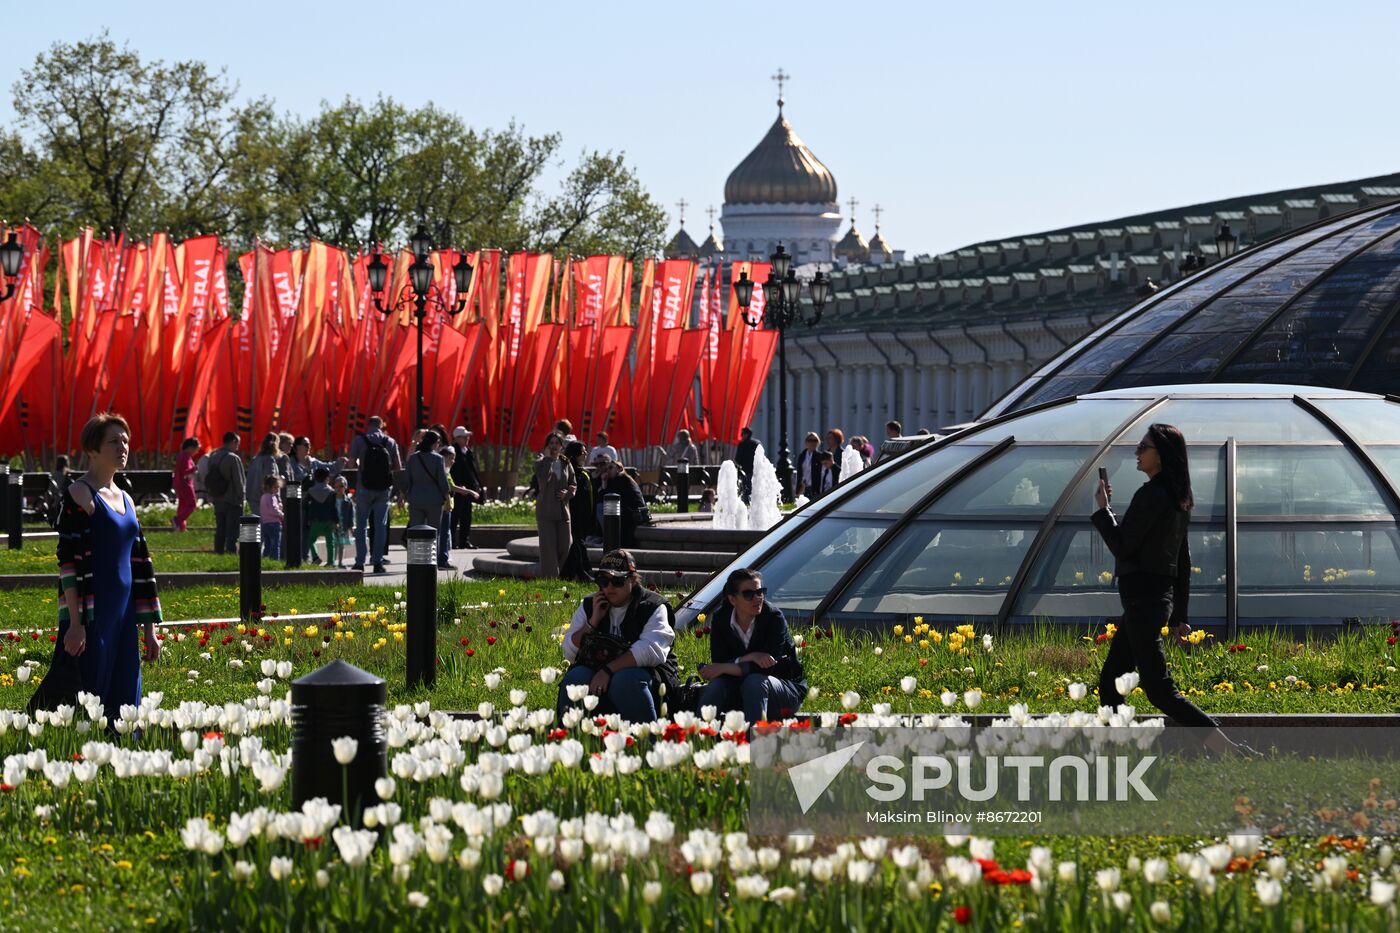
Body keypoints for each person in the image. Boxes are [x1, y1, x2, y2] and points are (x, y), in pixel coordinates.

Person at [1092, 422, 1240, 752]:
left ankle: (1228, 749)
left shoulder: (1152, 495)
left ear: (1161, 455)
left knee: (1158, 689)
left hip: (1143, 602)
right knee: (1112, 680)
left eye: (1143, 448)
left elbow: (1124, 546)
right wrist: (1179, 615)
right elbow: (1182, 563)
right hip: (1152, 602)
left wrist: (1104, 510)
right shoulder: (1177, 497)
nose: (1137, 453)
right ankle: (1113, 749)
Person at [47, 413, 162, 719]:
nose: (122, 447)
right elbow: (68, 565)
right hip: (92, 613)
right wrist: (74, 624)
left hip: (124, 616)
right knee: (89, 695)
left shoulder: (126, 498)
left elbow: (141, 567)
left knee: (127, 694)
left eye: (125, 441)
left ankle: (123, 755)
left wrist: (149, 629)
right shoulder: (79, 494)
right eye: (114, 441)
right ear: (93, 449)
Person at [555, 550, 678, 724]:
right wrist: (592, 623)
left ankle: (647, 741)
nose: (609, 588)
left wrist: (608, 671)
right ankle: (568, 740)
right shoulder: (591, 605)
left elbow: (651, 651)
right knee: (576, 678)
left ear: (633, 579)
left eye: (617, 581)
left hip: (648, 676)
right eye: (603, 581)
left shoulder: (653, 606)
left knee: (624, 680)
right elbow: (569, 651)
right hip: (598, 672)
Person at [698, 568, 806, 724]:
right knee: (717, 685)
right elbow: (719, 661)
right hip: (740, 689)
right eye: (749, 594)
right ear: (733, 599)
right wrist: (750, 657)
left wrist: (724, 667)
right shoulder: (721, 619)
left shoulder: (774, 618)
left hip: (783, 690)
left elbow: (766, 668)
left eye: (760, 592)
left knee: (755, 681)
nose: (757, 598)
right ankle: (694, 738)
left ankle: (752, 744)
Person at [349, 415, 403, 574]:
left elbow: (351, 464)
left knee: (361, 526)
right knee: (380, 526)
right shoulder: (390, 442)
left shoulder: (359, 441)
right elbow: (398, 468)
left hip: (363, 488)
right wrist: (399, 491)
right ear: (381, 425)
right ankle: (377, 562)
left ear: (368, 425)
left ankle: (360, 562)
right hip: (383, 489)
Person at [534, 432, 576, 579]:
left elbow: (573, 484)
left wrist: (567, 493)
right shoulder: (540, 462)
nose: (553, 446)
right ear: (547, 446)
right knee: (548, 548)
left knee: (566, 545)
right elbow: (544, 479)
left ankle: (561, 574)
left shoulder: (566, 463)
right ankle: (550, 578)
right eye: (551, 443)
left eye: (556, 443)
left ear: (561, 446)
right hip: (545, 511)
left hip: (563, 511)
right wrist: (547, 459)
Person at [560, 440, 596, 582]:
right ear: (575, 455)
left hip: (584, 516)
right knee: (577, 545)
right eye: (583, 451)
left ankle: (577, 572)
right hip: (573, 515)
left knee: (578, 543)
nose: (586, 453)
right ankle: (583, 572)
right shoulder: (570, 472)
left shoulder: (585, 473)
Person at [404, 430, 451, 534]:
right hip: (434, 500)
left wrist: (402, 496)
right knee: (434, 533)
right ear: (434, 443)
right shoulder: (438, 459)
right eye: (438, 442)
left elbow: (407, 480)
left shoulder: (413, 458)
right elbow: (442, 481)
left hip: (416, 499)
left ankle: (417, 550)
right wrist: (448, 500)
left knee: (415, 532)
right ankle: (432, 551)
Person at [205, 432, 245, 555]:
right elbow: (239, 481)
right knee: (232, 530)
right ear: (233, 442)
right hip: (232, 499)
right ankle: (231, 552)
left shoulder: (213, 456)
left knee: (220, 528)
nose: (238, 447)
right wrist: (242, 497)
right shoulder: (233, 458)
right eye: (237, 443)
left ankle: (218, 551)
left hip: (218, 498)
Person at [437, 446, 474, 571]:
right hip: (444, 507)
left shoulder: (445, 471)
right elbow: (449, 488)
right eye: (451, 458)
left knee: (444, 534)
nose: (453, 461)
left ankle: (443, 558)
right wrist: (468, 491)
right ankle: (443, 559)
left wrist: (467, 491)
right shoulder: (442, 471)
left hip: (445, 507)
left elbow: (452, 487)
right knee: (444, 535)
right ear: (443, 458)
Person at [598, 459, 649, 548]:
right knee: (602, 507)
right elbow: (603, 498)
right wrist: (604, 482)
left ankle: (609, 537)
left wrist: (604, 485)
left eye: (610, 468)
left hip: (633, 512)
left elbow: (606, 499)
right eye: (606, 469)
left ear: (619, 469)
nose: (608, 471)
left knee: (600, 508)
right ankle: (607, 537)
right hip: (631, 511)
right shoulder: (616, 479)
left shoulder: (621, 478)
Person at [449, 427, 483, 550]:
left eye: (467, 436)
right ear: (457, 438)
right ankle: (451, 541)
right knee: (454, 516)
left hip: (468, 490)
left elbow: (472, 471)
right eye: (464, 437)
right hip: (457, 489)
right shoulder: (453, 451)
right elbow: (451, 470)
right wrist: (458, 484)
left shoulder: (468, 452)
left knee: (466, 516)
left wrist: (476, 485)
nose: (467, 439)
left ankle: (465, 541)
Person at [245, 433, 287, 515]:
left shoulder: (255, 459)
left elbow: (249, 478)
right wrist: (278, 501)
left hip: (253, 498)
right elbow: (272, 481)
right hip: (266, 499)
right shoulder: (269, 460)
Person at [305, 467, 339, 565]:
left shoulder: (311, 491)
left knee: (311, 540)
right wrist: (336, 521)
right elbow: (334, 507)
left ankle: (315, 557)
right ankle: (330, 562)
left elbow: (304, 504)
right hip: (329, 520)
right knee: (330, 542)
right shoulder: (332, 492)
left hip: (315, 520)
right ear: (327, 478)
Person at [172, 439, 199, 531]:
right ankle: (178, 520)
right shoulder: (186, 457)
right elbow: (185, 472)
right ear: (190, 448)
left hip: (179, 483)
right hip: (185, 484)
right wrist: (195, 468)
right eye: (196, 449)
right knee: (192, 504)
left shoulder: (181, 455)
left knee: (183, 505)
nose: (197, 451)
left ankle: (181, 527)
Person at [259, 474, 284, 559]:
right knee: (276, 545)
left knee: (268, 544)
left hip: (265, 523)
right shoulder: (271, 497)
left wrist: (279, 506)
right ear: (269, 487)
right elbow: (273, 510)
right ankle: (275, 560)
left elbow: (267, 509)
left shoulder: (263, 497)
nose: (277, 490)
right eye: (275, 487)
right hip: (274, 523)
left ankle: (265, 558)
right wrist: (281, 514)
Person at [333, 476, 354, 568]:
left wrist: (351, 526)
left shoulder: (348, 501)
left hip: (343, 525)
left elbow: (351, 514)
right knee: (333, 544)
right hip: (334, 524)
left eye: (341, 486)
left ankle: (340, 562)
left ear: (345, 487)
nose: (338, 488)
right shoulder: (332, 499)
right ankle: (332, 561)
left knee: (341, 544)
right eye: (336, 486)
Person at [793, 432, 823, 498]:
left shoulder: (820, 456)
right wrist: (797, 489)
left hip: (814, 488)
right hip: (803, 487)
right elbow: (799, 474)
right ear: (806, 442)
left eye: (815, 440)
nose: (813, 443)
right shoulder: (802, 456)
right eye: (810, 440)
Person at [734, 427, 759, 503]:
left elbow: (737, 458)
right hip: (755, 470)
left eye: (742, 434)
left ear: (746, 434)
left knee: (746, 488)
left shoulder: (742, 444)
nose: (741, 436)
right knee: (755, 487)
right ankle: (754, 503)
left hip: (746, 470)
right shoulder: (756, 443)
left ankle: (747, 502)